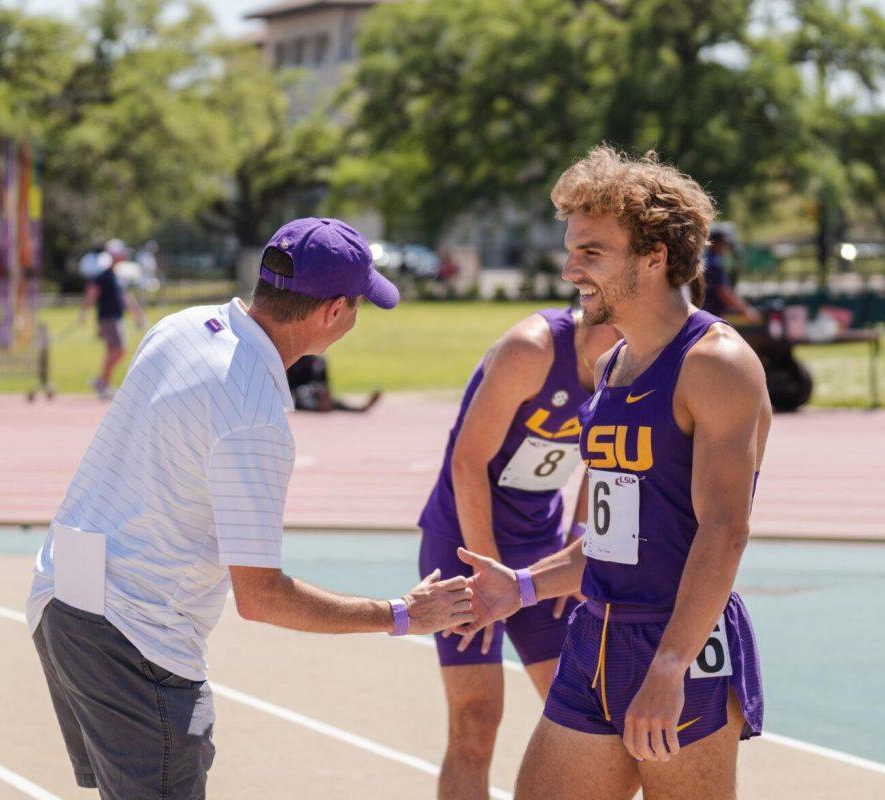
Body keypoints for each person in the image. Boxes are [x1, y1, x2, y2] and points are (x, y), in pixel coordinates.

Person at [27, 217, 474, 799]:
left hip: (63, 596)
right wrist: (400, 614)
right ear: (333, 312)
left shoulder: (181, 328)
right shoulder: (255, 418)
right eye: (360, 304)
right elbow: (261, 597)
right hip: (137, 638)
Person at [455, 147, 770, 800]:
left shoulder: (716, 366)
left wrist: (671, 664)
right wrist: (521, 586)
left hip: (679, 648)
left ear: (654, 256)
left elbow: (724, 531)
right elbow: (613, 536)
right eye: (573, 250)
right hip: (593, 636)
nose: (571, 269)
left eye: (592, 252)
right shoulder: (613, 366)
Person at [417, 306, 619, 798]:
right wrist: (489, 577)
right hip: (464, 546)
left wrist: (577, 537)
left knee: (586, 720)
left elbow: (605, 456)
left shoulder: (632, 362)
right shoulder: (532, 349)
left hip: (540, 550)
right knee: (475, 721)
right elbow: (467, 462)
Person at [80, 239, 146, 399]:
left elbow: (126, 298)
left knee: (114, 350)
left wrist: (138, 315)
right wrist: (83, 313)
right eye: (121, 253)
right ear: (114, 255)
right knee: (119, 349)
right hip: (108, 318)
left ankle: (103, 382)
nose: (124, 256)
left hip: (115, 317)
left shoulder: (117, 276)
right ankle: (103, 382)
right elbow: (91, 294)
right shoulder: (103, 276)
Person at [286, 353, 382, 412]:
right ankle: (320, 406)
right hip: (300, 393)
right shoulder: (293, 360)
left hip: (318, 393)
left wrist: (323, 392)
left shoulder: (319, 361)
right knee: (304, 397)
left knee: (333, 400)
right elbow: (291, 385)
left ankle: (358, 409)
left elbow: (324, 383)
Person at [702, 230, 759, 323]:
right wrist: (745, 310)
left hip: (707, 313)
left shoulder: (708, 260)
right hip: (711, 314)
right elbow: (723, 291)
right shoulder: (714, 263)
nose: (726, 247)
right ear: (717, 244)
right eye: (724, 243)